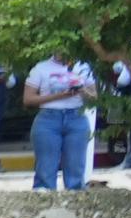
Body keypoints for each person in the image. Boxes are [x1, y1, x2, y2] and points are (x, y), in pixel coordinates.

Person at [25, 48, 98, 191]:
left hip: (76, 116)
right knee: (46, 167)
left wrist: (81, 89)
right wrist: (60, 96)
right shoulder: (41, 68)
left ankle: (75, 203)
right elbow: (28, 99)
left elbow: (94, 97)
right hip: (48, 117)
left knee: (76, 167)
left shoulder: (83, 66)